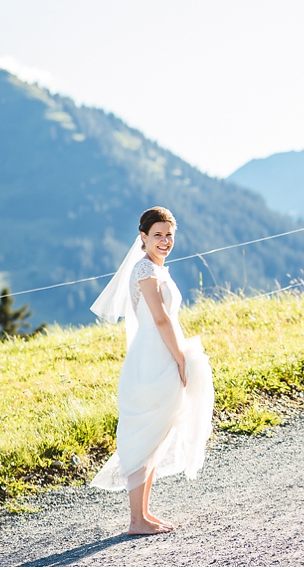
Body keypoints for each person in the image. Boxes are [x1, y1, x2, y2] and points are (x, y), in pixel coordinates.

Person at [89, 206, 214, 535]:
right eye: (157, 235)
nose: (165, 240)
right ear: (143, 238)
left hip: (158, 356)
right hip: (151, 362)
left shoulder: (156, 269)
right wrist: (181, 358)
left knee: (156, 436)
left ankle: (141, 515)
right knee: (145, 436)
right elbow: (160, 320)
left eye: (169, 234)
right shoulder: (145, 270)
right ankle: (136, 520)